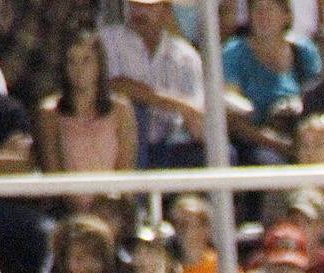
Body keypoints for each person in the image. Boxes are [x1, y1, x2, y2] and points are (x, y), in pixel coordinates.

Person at [99, 0, 204, 169]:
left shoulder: (186, 56)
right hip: (120, 143)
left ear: (166, 10)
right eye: (134, 5)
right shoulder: (109, 40)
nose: (139, 11)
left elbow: (195, 110)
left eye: (149, 6)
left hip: (173, 145)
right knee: (135, 110)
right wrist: (176, 104)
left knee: (223, 152)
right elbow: (115, 85)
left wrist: (195, 122)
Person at [222, 0, 321, 164]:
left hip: (301, 135)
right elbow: (233, 117)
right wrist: (278, 143)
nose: (263, 16)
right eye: (257, 10)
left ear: (286, 15)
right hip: (256, 141)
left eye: (270, 9)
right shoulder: (234, 52)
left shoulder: (303, 51)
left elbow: (319, 94)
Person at [36, 27, 139, 185]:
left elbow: (125, 174)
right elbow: (53, 175)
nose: (79, 69)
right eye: (72, 61)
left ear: (99, 64)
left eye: (86, 60)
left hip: (111, 198)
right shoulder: (50, 113)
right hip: (67, 197)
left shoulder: (121, 110)